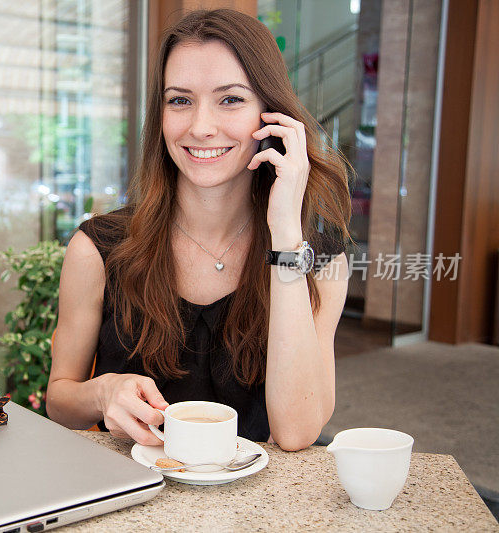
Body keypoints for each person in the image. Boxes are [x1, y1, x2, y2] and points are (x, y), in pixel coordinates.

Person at [46, 9, 351, 451]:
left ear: (271, 114)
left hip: (255, 507)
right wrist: (102, 391)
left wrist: (286, 233)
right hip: (131, 500)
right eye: (180, 100)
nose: (201, 127)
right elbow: (60, 402)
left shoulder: (320, 261)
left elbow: (297, 432)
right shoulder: (98, 248)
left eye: (230, 99)